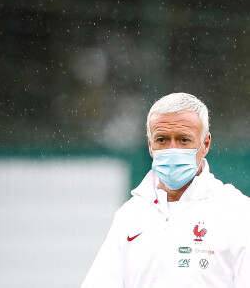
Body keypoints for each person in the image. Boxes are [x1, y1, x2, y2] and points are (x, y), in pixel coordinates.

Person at [81, 92, 250, 288]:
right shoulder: (130, 215)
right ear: (150, 145)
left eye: (183, 140)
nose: (172, 148)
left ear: (205, 144)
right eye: (162, 139)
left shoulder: (238, 212)